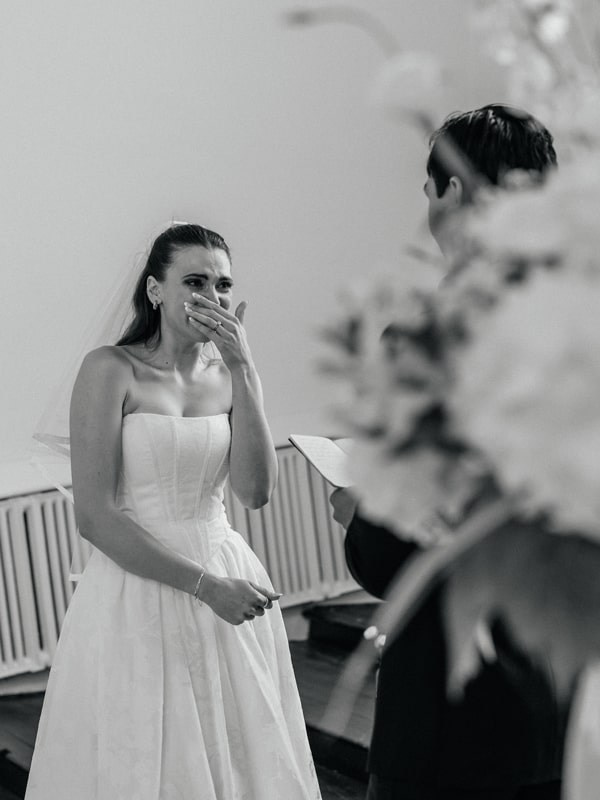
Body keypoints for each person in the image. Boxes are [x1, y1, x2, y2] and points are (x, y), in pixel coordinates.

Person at [26, 223, 322, 800]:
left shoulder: (226, 376)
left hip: (226, 565)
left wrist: (245, 371)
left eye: (222, 284)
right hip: (139, 582)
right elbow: (95, 516)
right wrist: (207, 586)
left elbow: (255, 492)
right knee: (146, 751)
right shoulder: (111, 369)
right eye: (194, 281)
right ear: (156, 289)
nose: (211, 297)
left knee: (238, 749)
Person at [331, 105, 564, 800]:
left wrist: (356, 517)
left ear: (455, 190)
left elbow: (391, 554)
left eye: (430, 187)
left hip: (447, 702)